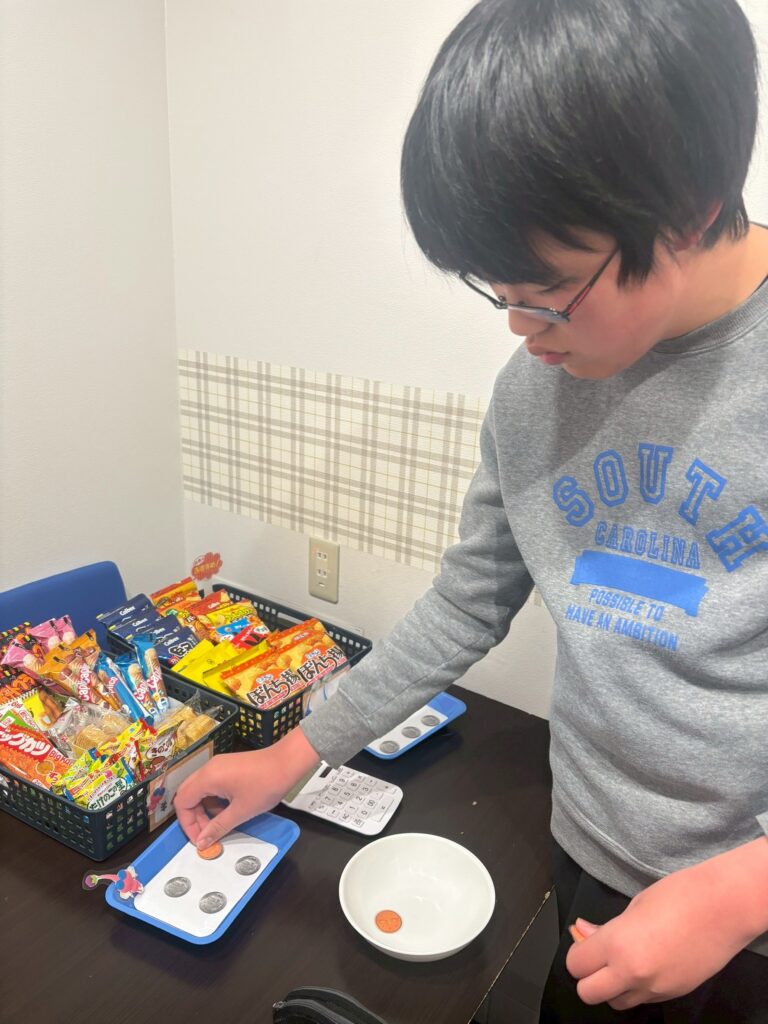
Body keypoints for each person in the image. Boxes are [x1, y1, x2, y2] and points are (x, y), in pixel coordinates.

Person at [175, 1, 768, 1019]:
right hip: (587, 852)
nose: (521, 330)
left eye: (549, 291)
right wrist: (292, 754)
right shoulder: (536, 389)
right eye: (499, 293)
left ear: (686, 212)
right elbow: (468, 601)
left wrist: (741, 891)